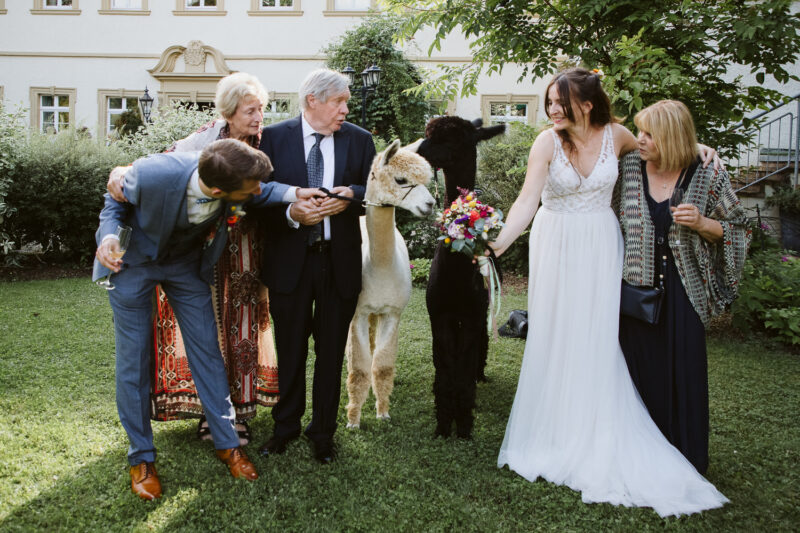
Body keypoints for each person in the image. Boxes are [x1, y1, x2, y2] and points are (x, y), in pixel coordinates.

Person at [490, 68, 728, 516]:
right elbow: (527, 200)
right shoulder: (546, 142)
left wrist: (698, 148)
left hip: (601, 244)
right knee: (556, 333)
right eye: (549, 101)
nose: (552, 109)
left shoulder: (618, 136)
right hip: (555, 242)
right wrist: (499, 244)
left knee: (597, 334)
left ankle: (595, 424)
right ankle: (554, 429)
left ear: (586, 104)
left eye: (559, 102)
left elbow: (664, 143)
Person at [94, 139, 317, 499]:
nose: (257, 191)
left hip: (184, 266)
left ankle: (227, 444)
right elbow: (114, 202)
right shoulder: (153, 174)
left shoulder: (231, 177)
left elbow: (263, 192)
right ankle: (141, 457)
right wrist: (107, 238)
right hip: (132, 263)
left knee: (209, 355)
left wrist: (296, 194)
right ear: (217, 192)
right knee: (133, 361)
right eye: (251, 188)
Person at [107, 73, 278, 445]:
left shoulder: (270, 142)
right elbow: (157, 174)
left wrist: (297, 198)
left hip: (244, 250)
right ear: (229, 113)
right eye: (250, 110)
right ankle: (201, 417)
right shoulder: (200, 143)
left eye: (261, 109)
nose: (258, 117)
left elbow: (270, 190)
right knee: (206, 332)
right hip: (196, 254)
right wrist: (122, 172)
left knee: (239, 328)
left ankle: (236, 418)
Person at [616, 100, 750, 474]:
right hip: (636, 291)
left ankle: (685, 456)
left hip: (685, 290)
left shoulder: (707, 175)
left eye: (649, 134)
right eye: (639, 131)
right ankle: (639, 455)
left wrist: (703, 223)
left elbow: (738, 229)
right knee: (638, 372)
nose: (640, 139)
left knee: (683, 371)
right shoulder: (628, 167)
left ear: (672, 138)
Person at [255, 68, 376, 464]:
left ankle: (323, 433)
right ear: (313, 100)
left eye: (346, 103)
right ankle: (285, 427)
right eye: (339, 102)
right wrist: (291, 213)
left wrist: (350, 195)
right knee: (290, 350)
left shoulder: (360, 140)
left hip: (338, 263)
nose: (345, 110)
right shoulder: (272, 138)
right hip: (289, 263)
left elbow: (375, 192)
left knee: (330, 352)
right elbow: (255, 197)